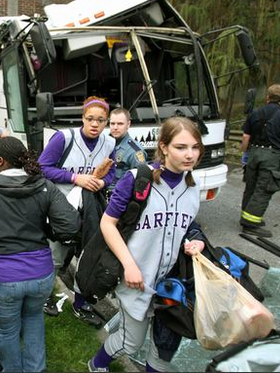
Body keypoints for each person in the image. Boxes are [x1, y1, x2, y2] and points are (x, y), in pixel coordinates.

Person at [87, 117, 207, 373]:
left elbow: (188, 224)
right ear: (163, 147)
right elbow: (107, 224)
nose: (190, 154)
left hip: (173, 285)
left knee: (164, 351)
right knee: (130, 342)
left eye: (195, 147)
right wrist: (129, 265)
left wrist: (196, 239)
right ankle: (96, 364)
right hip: (136, 279)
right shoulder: (136, 179)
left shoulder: (193, 185)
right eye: (181, 147)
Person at [0, 136, 80, 372]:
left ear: (0, 161)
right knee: (33, 319)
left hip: (1, 277)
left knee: (7, 330)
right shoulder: (45, 186)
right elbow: (70, 225)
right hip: (40, 275)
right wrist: (47, 231)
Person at [38, 96, 116, 324]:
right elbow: (42, 168)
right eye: (90, 119)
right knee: (55, 254)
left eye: (100, 120)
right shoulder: (64, 137)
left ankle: (81, 304)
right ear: (82, 118)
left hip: (90, 208)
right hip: (60, 208)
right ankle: (44, 295)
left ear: (106, 122)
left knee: (87, 256)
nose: (95, 124)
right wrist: (75, 177)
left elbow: (112, 172)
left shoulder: (109, 143)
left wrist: (102, 182)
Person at [239, 84, 280, 237]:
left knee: (251, 186)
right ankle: (250, 224)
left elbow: (245, 137)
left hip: (253, 153)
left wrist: (244, 151)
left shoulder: (255, 113)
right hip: (272, 156)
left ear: (267, 96)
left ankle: (246, 217)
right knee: (263, 189)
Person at [108, 107, 147, 194]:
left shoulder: (135, 151)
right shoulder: (104, 144)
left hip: (120, 197)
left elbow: (141, 182)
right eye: (112, 123)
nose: (115, 127)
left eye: (120, 124)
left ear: (128, 124)